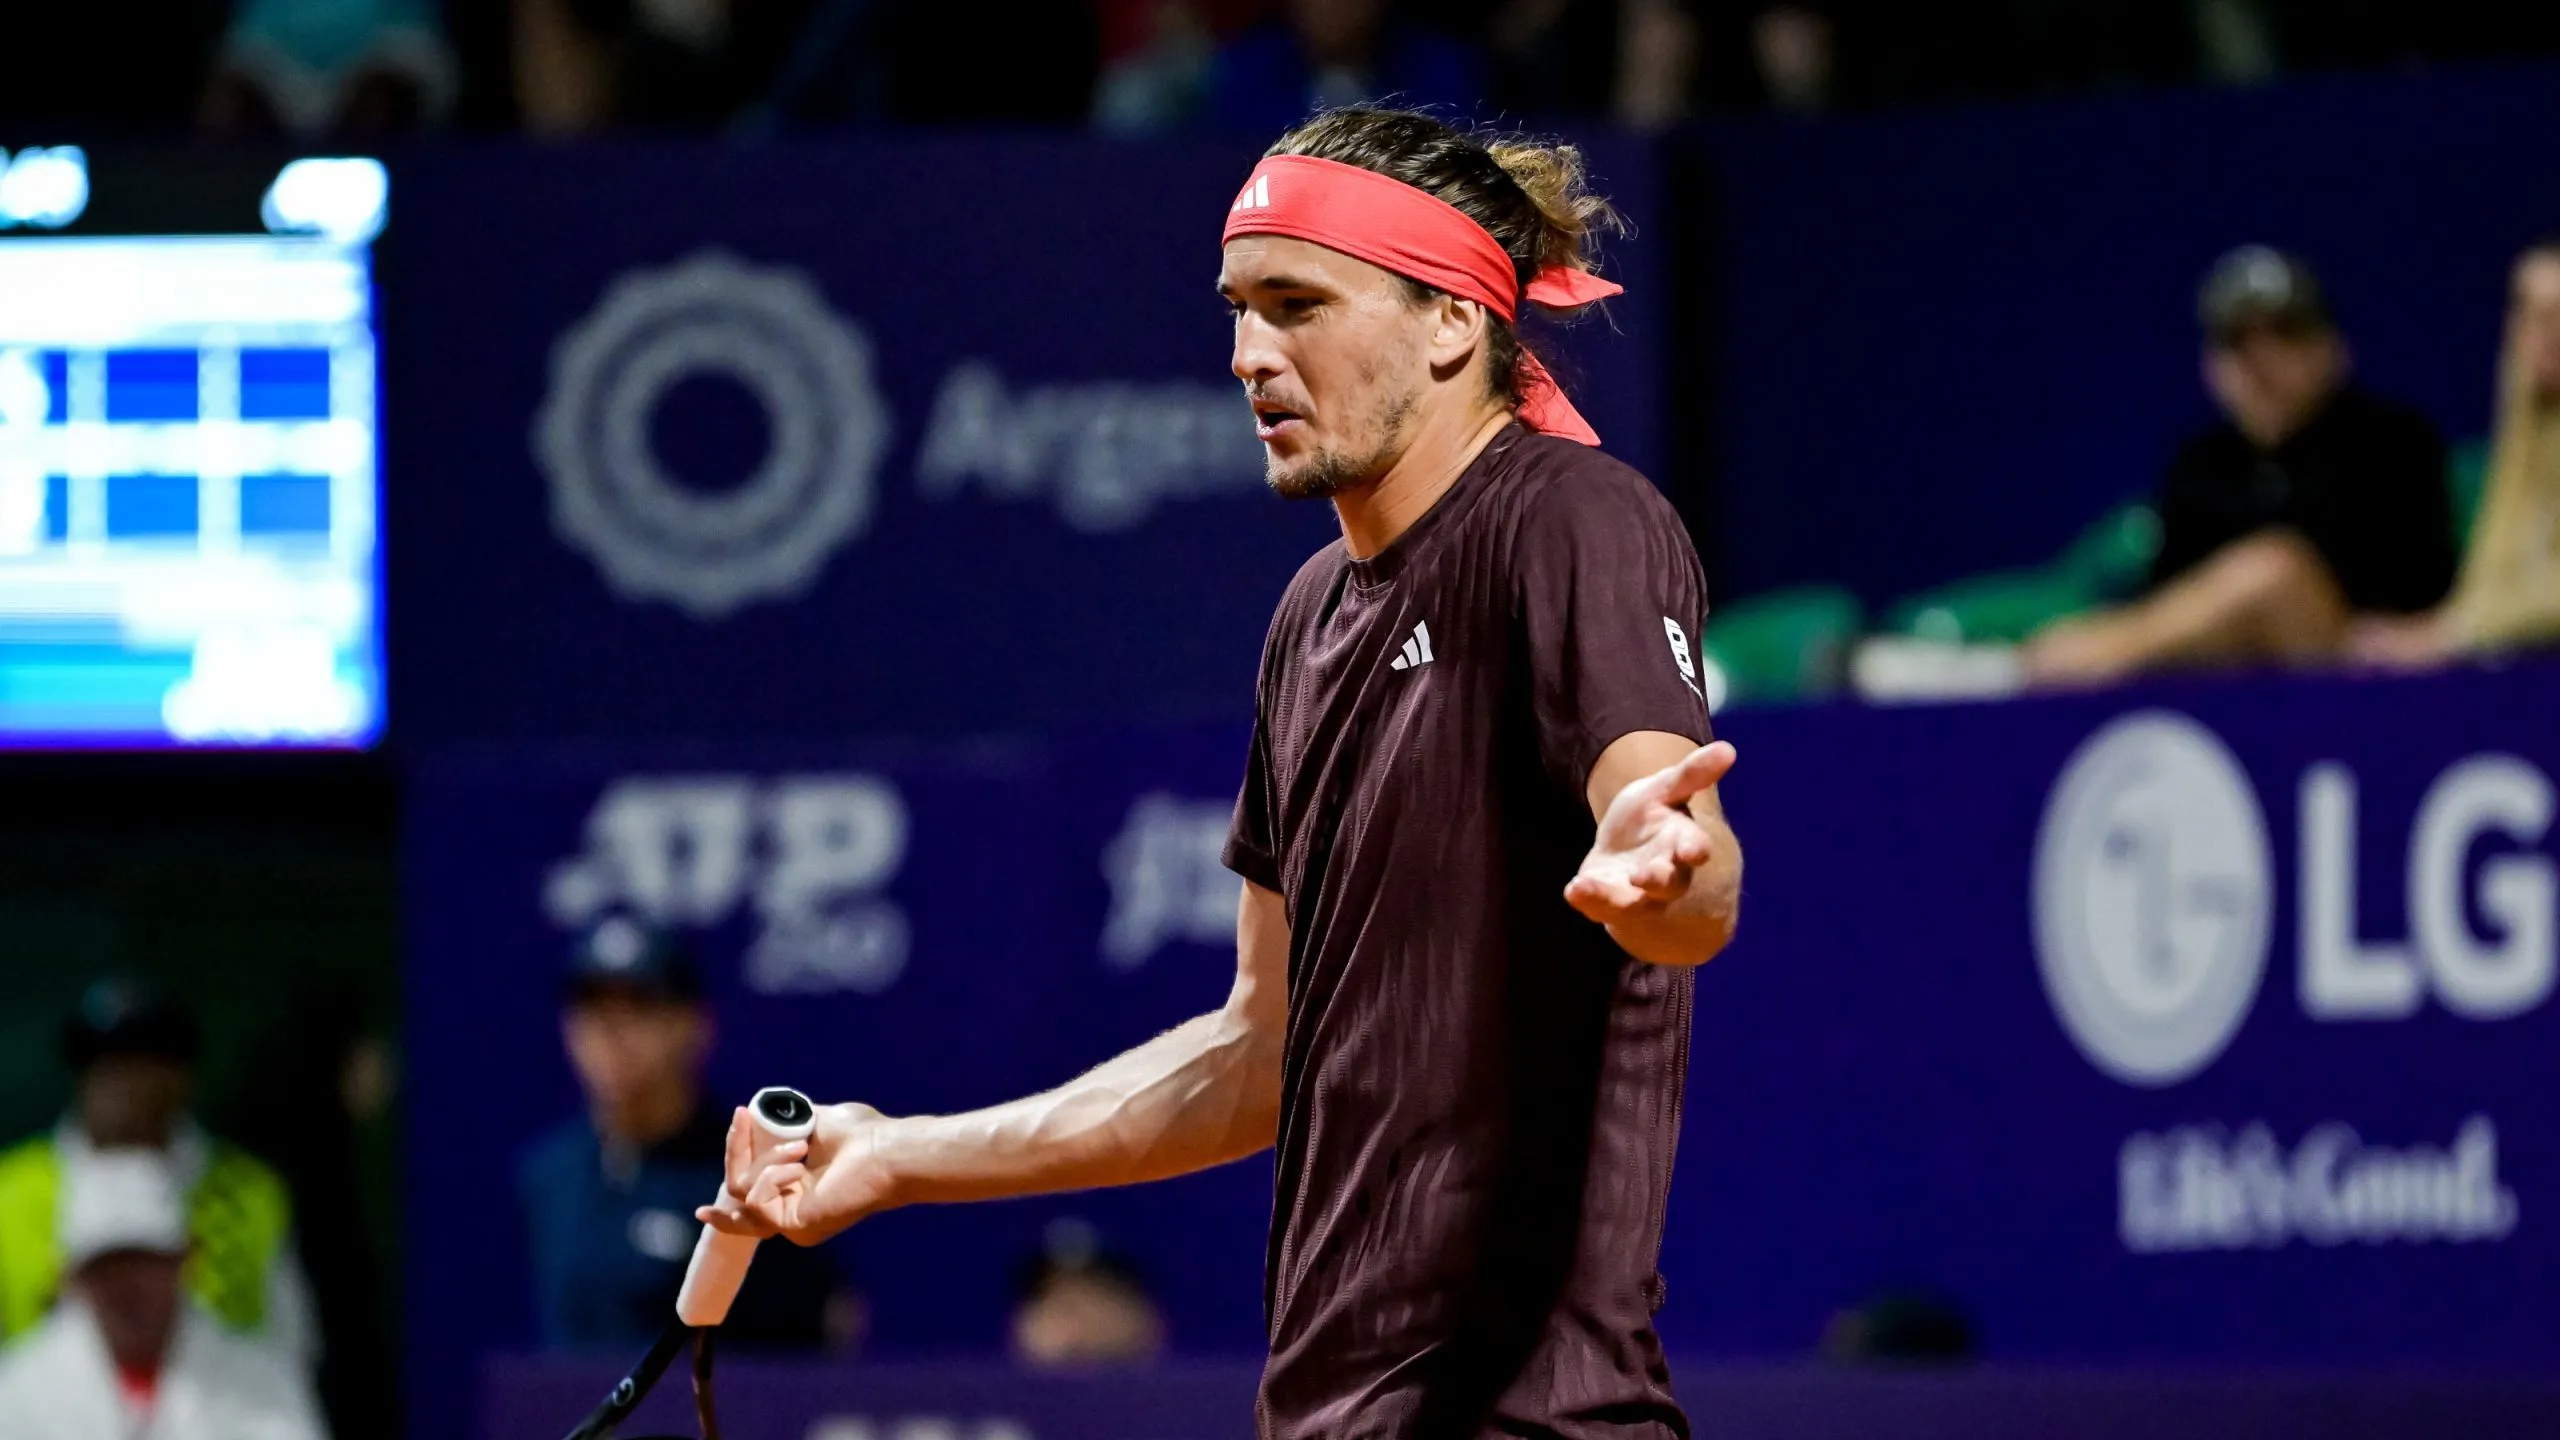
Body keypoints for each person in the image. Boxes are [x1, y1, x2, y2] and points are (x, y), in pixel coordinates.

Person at [703, 107, 1746, 1438]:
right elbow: (1260, 1052)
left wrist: (1663, 867)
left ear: (1450, 323)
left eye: (1298, 305)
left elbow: (1682, 856)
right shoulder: (1311, 619)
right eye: (1239, 310)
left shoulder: (1572, 522)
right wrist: (898, 1154)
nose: (1251, 355)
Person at [2024, 245, 2457, 687]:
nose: (2260, 362)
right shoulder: (2200, 466)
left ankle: (2103, 655)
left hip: (2363, 681)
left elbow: (2420, 598)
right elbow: (2174, 599)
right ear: (2210, 369)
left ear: (2334, 349)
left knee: (2274, 570)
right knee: (2071, 636)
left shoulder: (2394, 444)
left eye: (2285, 334)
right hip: (2231, 688)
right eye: (2236, 342)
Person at [519, 918, 853, 1352]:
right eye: (592, 1007)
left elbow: (825, 1330)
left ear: (693, 1025)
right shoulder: (549, 1176)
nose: (611, 1031)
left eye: (639, 1005)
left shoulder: (751, 1175)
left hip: (706, 1419)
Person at [0, 979, 315, 1364]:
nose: (119, 1079)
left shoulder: (251, 1192)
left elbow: (290, 1347)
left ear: (182, 1075)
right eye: (99, 1060)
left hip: (219, 1415)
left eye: (143, 1059)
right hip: (44, 1419)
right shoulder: (10, 1189)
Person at [0, 1151, 327, 1440]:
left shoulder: (261, 1377)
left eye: (146, 1261)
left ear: (188, 1260)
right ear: (72, 1278)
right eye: (108, 1267)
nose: (129, 1285)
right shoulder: (18, 1387)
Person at [2350, 238, 2560, 669]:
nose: (2547, 330)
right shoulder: (2529, 421)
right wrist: (2441, 629)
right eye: (2531, 311)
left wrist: (2454, 632)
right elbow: (2495, 578)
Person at [1008, 1218, 1166, 1367]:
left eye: (1086, 1277)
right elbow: (1039, 1349)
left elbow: (1144, 1341)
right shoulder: (1036, 1319)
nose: (1074, 1288)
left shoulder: (1125, 1312)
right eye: (1061, 1278)